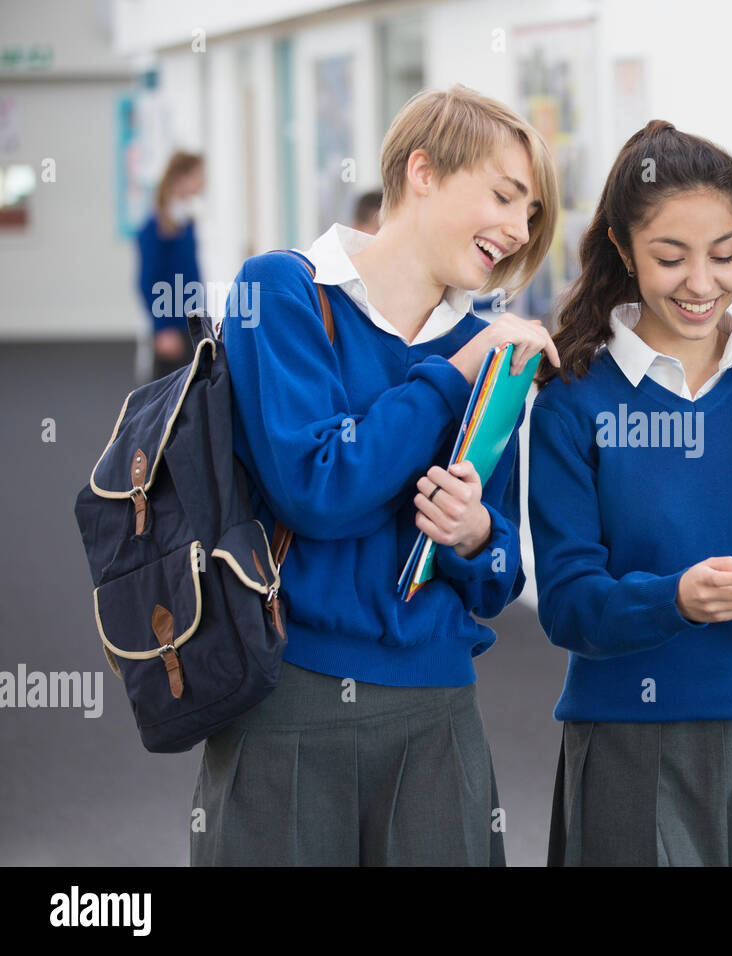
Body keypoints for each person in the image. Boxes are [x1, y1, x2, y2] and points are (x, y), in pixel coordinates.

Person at [190, 85, 560, 866]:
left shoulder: (488, 346)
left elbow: (500, 577)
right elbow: (319, 487)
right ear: (422, 171)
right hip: (289, 700)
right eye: (502, 195)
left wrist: (476, 532)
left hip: (438, 712)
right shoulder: (281, 290)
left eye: (529, 213)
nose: (517, 229)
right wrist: (453, 373)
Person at [528, 120, 732, 867]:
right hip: (628, 743)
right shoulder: (572, 403)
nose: (702, 284)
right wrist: (675, 600)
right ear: (622, 248)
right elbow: (569, 603)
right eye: (670, 258)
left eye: (725, 254)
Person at [136, 150, 204, 380]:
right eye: (197, 176)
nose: (202, 182)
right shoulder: (155, 228)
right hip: (171, 327)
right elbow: (147, 281)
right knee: (167, 398)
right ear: (180, 178)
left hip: (189, 323)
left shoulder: (186, 222)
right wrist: (162, 327)